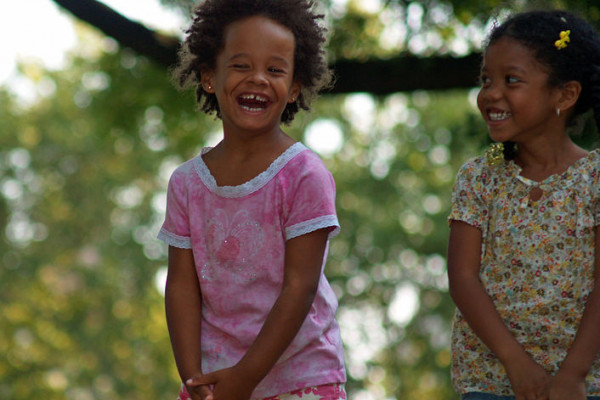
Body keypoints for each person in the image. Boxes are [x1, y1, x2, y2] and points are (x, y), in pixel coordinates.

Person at [157, 1, 346, 400]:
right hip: (214, 384)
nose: (258, 79)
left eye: (275, 70)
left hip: (302, 380)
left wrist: (245, 378)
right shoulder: (186, 183)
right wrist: (194, 380)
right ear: (209, 76)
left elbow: (300, 286)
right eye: (241, 66)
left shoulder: (304, 175)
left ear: (295, 86)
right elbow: (181, 288)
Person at [447, 9, 600, 400]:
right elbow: (463, 278)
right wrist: (515, 363)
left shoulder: (595, 177)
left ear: (564, 95)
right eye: (486, 81)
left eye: (511, 80)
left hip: (583, 384)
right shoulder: (479, 176)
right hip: (491, 382)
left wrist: (573, 374)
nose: (490, 94)